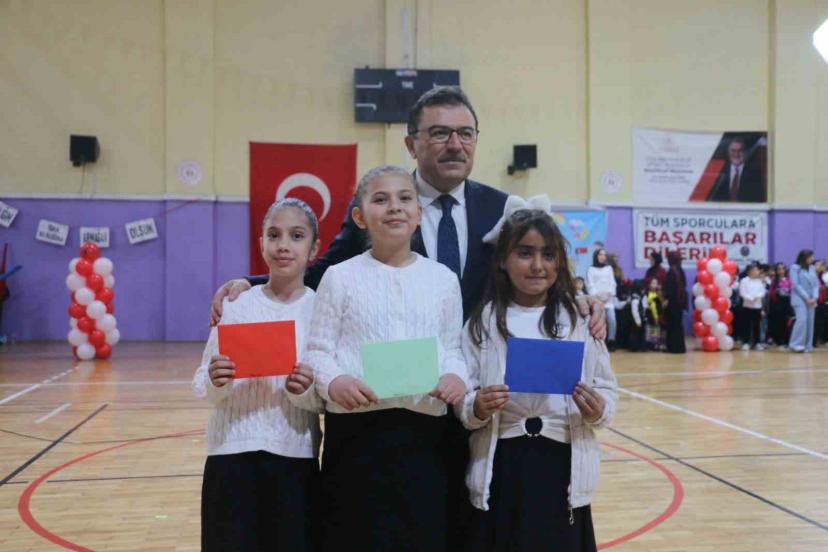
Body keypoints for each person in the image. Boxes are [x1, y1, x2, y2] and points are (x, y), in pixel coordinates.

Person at [209, 86, 607, 546]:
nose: (454, 144)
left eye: (465, 133)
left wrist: (579, 296)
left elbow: (533, 268)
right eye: (439, 133)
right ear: (411, 143)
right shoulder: (379, 209)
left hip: (472, 402)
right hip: (375, 419)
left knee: (457, 532)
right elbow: (317, 273)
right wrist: (255, 283)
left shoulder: (500, 209)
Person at [304, 166, 468, 551]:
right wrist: (335, 382)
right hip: (355, 437)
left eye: (404, 198)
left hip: (424, 437)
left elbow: (453, 349)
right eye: (380, 199)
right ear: (360, 217)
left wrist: (455, 377)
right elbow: (318, 351)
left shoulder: (443, 279)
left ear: (419, 213)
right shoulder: (339, 277)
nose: (394, 207)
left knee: (421, 536)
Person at [459, 201, 617, 552]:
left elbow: (607, 390)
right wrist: (477, 407)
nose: (537, 265)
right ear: (503, 260)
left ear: (559, 261)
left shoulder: (580, 321)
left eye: (548, 254)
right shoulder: (483, 322)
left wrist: (598, 409)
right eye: (525, 253)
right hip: (502, 466)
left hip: (563, 468)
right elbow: (464, 397)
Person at [192, 198, 323, 552]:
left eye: (296, 236)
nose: (283, 245)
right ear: (261, 243)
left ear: (314, 249)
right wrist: (216, 381)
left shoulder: (321, 310)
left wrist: (306, 390)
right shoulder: (236, 305)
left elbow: (324, 395)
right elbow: (202, 381)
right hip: (230, 454)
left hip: (295, 455)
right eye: (274, 235)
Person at [705, 137, 767, 202]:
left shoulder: (754, 173)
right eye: (733, 150)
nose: (736, 154)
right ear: (727, 152)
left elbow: (757, 198)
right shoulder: (720, 170)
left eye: (740, 150)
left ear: (745, 152)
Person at [789, 250, 819, 353]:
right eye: (810, 257)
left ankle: (807, 345)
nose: (812, 259)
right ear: (804, 257)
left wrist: (815, 297)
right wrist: (806, 298)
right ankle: (795, 344)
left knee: (810, 322)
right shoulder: (794, 268)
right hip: (799, 298)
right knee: (802, 320)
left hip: (812, 299)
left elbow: (815, 285)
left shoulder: (812, 268)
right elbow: (796, 285)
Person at [587, 249, 617, 350]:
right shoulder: (591, 269)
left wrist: (608, 295)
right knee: (597, 321)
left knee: (612, 320)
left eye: (604, 255)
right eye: (600, 254)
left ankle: (611, 340)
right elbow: (590, 285)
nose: (602, 256)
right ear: (596, 256)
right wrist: (598, 297)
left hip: (608, 300)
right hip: (596, 300)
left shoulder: (609, 268)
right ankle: (598, 341)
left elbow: (612, 283)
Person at [662, 250, 687, 353]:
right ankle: (678, 347)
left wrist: (666, 299)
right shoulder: (680, 270)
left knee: (672, 324)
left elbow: (670, 288)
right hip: (679, 302)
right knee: (677, 325)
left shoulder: (672, 271)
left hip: (673, 302)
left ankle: (673, 347)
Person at [739, 263, 766, 351]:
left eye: (757, 270)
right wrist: (749, 298)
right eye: (754, 270)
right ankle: (746, 342)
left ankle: (757, 342)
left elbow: (762, 292)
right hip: (747, 305)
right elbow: (742, 292)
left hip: (757, 306)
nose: (756, 271)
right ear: (749, 271)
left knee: (756, 325)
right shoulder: (744, 280)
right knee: (746, 325)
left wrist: (756, 297)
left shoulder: (760, 281)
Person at [768, 262, 793, 349]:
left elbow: (791, 291)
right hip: (777, 305)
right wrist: (776, 291)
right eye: (779, 269)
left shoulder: (789, 280)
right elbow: (770, 293)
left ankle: (787, 340)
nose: (781, 271)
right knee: (777, 323)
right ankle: (778, 341)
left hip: (787, 304)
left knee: (786, 323)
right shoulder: (774, 281)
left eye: (783, 269)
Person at [645, 278, 664, 351]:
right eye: (653, 283)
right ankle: (649, 344)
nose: (654, 285)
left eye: (656, 283)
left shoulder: (657, 294)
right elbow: (651, 306)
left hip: (657, 316)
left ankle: (655, 344)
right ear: (649, 285)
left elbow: (660, 306)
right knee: (649, 330)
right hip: (650, 316)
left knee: (656, 330)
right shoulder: (647, 294)